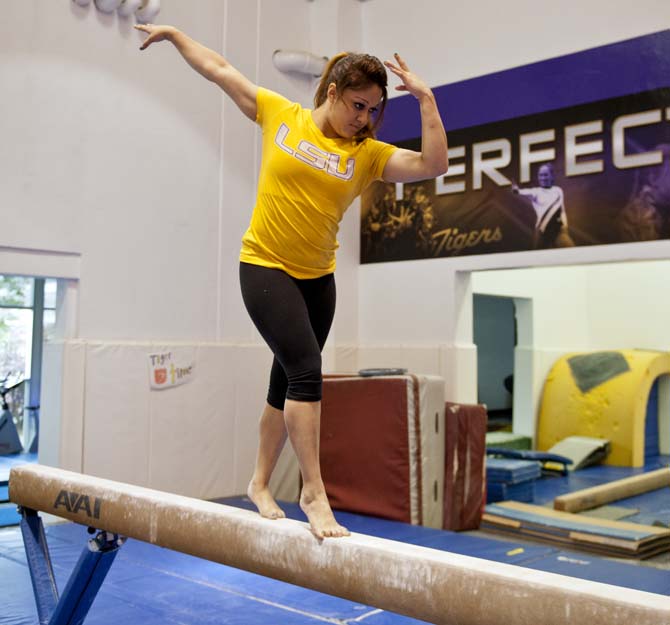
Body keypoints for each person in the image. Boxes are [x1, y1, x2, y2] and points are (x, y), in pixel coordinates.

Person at [135, 23, 448, 539]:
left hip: (317, 280)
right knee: (307, 371)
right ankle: (313, 492)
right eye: (357, 106)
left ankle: (259, 482)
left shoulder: (367, 155)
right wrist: (173, 34)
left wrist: (427, 100)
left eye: (374, 110)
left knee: (283, 385)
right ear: (332, 93)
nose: (365, 119)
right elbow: (219, 70)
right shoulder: (281, 115)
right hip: (264, 267)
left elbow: (433, 163)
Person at [512, 163, 575, 249]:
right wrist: (517, 190)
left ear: (552, 176)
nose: (543, 178)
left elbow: (562, 211)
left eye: (545, 175)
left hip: (558, 231)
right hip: (542, 231)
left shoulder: (558, 190)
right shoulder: (536, 192)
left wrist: (565, 227)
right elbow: (522, 192)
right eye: (540, 175)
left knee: (571, 250)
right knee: (537, 257)